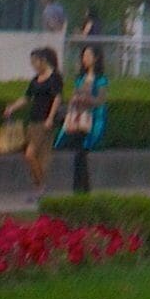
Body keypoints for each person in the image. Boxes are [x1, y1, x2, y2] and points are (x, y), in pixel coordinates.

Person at [56, 43, 108, 194]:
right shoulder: (80, 78)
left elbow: (100, 100)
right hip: (78, 118)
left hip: (91, 120)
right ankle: (81, 188)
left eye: (88, 56)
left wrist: (85, 99)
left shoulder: (101, 80)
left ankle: (81, 188)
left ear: (96, 58)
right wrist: (74, 100)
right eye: (83, 56)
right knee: (78, 154)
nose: (85, 59)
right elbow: (74, 96)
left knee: (82, 153)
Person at [12, 46, 63, 190]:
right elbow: (27, 97)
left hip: (44, 122)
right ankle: (38, 186)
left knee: (32, 154)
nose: (33, 66)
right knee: (35, 157)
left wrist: (50, 118)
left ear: (43, 61)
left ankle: (42, 186)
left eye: (35, 62)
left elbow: (57, 98)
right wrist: (12, 108)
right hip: (33, 121)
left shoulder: (54, 78)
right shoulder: (36, 79)